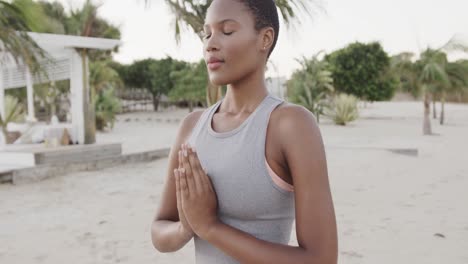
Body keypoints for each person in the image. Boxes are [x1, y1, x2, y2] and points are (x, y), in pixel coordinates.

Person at [151, 0, 338, 263]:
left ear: (265, 39)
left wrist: (210, 228)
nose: (210, 44)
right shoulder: (191, 127)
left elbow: (321, 259)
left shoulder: (290, 125)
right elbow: (159, 230)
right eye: (207, 33)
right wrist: (186, 226)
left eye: (227, 31)